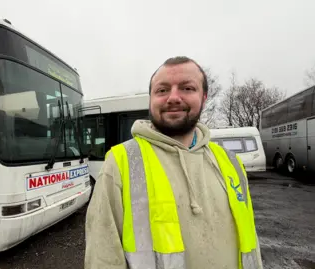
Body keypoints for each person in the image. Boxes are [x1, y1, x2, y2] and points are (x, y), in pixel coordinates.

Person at [84, 56, 263, 269]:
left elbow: (251, 242)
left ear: (204, 97)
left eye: (187, 88)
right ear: (150, 99)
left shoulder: (230, 162)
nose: (173, 97)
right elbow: (103, 256)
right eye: (162, 90)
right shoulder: (121, 162)